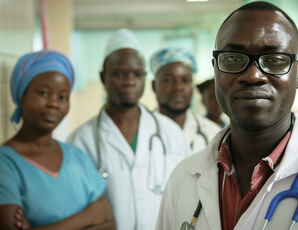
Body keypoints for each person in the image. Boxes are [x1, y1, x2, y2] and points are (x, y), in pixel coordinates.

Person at [155, 1, 298, 230]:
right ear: (216, 70)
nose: (253, 76)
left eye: (274, 60)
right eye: (233, 58)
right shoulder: (182, 178)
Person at [67, 29, 190, 230]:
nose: (129, 81)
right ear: (102, 77)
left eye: (137, 74)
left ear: (144, 78)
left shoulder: (171, 133)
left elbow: (188, 195)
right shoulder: (81, 141)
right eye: (118, 74)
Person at [0, 50, 115, 230]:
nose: (54, 103)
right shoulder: (5, 163)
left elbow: (111, 224)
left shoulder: (76, 157)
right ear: (21, 94)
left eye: (63, 97)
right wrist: (88, 217)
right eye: (44, 93)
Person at [150, 48, 221, 152]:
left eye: (186, 80)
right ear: (153, 86)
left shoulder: (213, 133)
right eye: (169, 80)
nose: (178, 87)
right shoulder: (140, 130)